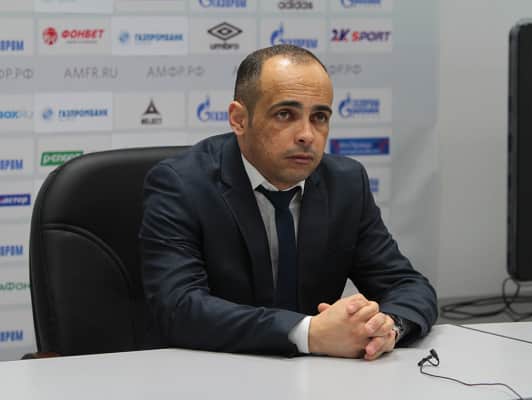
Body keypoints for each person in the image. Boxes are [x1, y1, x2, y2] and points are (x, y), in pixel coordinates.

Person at [140, 44, 437, 361]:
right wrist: (308, 333)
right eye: (285, 114)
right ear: (239, 119)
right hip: (211, 371)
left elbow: (407, 286)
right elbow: (179, 308)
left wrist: (386, 328)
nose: (307, 135)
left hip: (316, 376)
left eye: (319, 117)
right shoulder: (182, 184)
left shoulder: (346, 184)